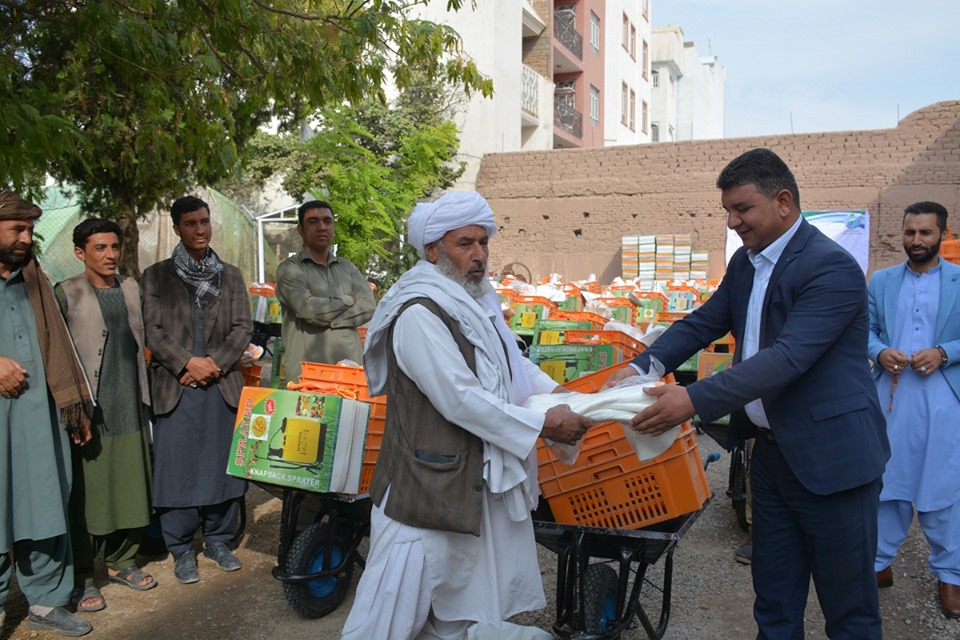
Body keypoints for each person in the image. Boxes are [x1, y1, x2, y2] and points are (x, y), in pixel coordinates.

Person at [606, 148, 890, 639]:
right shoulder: (746, 262)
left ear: (783, 201)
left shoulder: (831, 268)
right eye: (728, 211)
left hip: (833, 461)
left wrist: (693, 401)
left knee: (850, 611)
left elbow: (788, 358)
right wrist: (639, 366)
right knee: (775, 603)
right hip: (773, 459)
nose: (733, 221)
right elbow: (703, 322)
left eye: (743, 209)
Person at [341, 191, 592, 640]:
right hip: (421, 494)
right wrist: (543, 424)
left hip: (463, 486)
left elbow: (510, 363)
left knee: (458, 606)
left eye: (483, 242)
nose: (479, 256)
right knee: (387, 617)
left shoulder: (475, 301)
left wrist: (563, 394)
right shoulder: (419, 311)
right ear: (433, 249)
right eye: (465, 244)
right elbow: (460, 398)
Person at [142, 195, 252, 584]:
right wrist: (188, 362)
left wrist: (214, 364)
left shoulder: (231, 275)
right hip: (177, 384)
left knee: (221, 462)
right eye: (191, 223)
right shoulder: (155, 276)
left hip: (220, 383)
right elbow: (153, 329)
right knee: (178, 467)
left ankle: (219, 539)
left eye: (205, 222)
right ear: (177, 228)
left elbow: (243, 328)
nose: (200, 229)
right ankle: (181, 549)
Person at [0, 192, 94, 636]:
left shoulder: (33, 278)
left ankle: (46, 599)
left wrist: (76, 409)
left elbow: (62, 348)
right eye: (16, 229)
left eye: (29, 230)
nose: (25, 238)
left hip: (40, 418)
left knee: (45, 505)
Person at [55, 219, 156, 613]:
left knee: (132, 483)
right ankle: (82, 575)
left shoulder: (130, 287)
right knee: (87, 493)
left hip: (130, 405)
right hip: (90, 412)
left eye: (114, 246)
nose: (110, 255)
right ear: (81, 253)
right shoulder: (66, 293)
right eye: (100, 248)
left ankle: (121, 561)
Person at [867, 201, 960, 618]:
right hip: (892, 395)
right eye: (910, 233)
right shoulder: (882, 281)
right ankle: (878, 563)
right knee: (889, 480)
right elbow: (862, 330)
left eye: (925, 233)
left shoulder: (959, 280)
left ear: (943, 233)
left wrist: (944, 352)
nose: (916, 241)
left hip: (944, 398)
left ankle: (951, 575)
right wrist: (880, 351)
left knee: (944, 485)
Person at [275, 200, 376, 381]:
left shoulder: (347, 267)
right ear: (300, 229)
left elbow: (368, 306)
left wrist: (331, 321)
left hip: (350, 369)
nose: (322, 227)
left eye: (327, 221)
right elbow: (308, 309)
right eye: (313, 221)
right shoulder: (290, 269)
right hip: (306, 373)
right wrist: (347, 301)